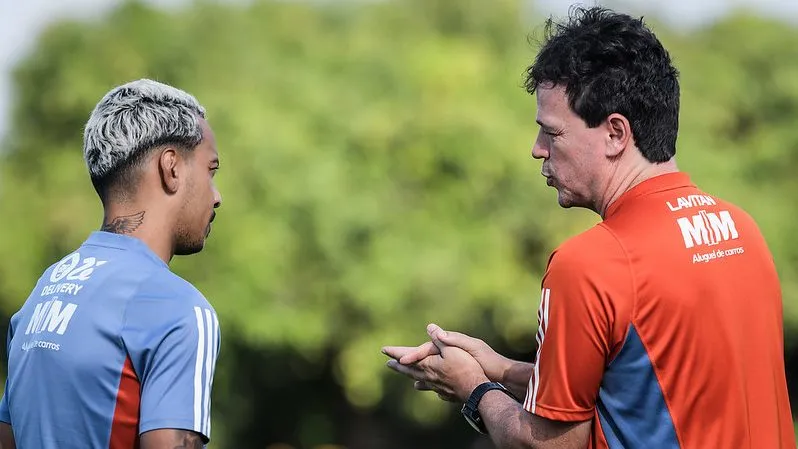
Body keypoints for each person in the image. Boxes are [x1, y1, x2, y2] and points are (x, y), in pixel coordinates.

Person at [383, 6, 795, 449]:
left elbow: (546, 444)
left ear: (616, 133)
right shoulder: (741, 230)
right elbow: (637, 393)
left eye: (552, 133)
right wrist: (499, 367)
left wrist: (474, 389)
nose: (537, 150)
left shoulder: (591, 265)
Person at [0, 79, 223, 449]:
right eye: (211, 170)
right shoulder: (180, 309)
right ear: (172, 168)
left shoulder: (44, 291)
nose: (216, 196)